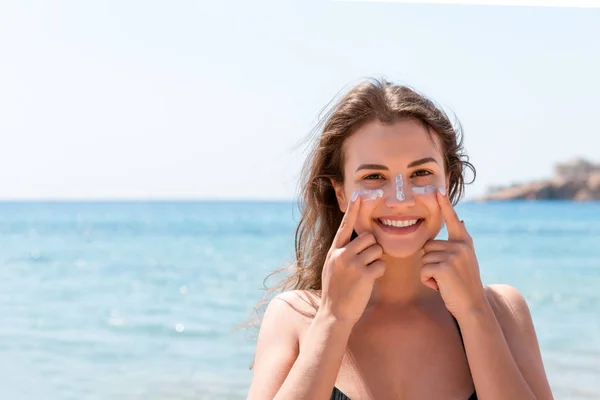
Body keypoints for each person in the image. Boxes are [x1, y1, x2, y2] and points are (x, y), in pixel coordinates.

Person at [247, 79, 554, 400]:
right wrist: (334, 319)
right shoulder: (295, 316)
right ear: (340, 193)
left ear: (447, 181)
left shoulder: (502, 309)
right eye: (374, 177)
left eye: (420, 173)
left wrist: (474, 311)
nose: (401, 199)